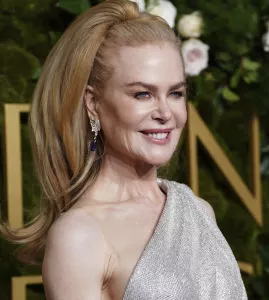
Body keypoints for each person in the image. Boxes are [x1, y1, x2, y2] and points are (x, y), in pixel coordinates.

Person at [0, 0, 248, 299]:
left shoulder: (198, 211)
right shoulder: (80, 236)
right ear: (93, 103)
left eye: (176, 93)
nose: (165, 113)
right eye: (143, 94)